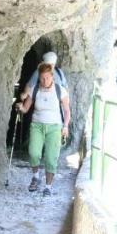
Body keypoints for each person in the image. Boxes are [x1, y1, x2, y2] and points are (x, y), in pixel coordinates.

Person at [17, 62, 70, 196]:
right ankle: (36, 176)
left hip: (54, 127)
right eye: (42, 78)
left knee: (51, 158)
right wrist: (20, 107)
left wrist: (65, 126)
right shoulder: (35, 89)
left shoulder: (60, 90)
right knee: (34, 153)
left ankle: (48, 186)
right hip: (37, 125)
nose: (44, 81)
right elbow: (26, 108)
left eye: (47, 77)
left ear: (52, 76)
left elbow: (67, 111)